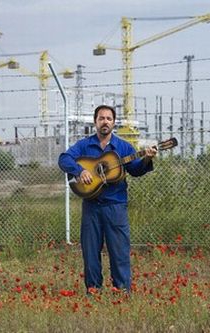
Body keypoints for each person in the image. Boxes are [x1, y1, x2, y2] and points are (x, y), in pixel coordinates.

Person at [58, 105, 157, 293]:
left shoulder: (123, 147)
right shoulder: (85, 145)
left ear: (114, 123)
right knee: (90, 252)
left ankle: (121, 291)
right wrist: (80, 171)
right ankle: (93, 291)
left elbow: (135, 169)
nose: (105, 122)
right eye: (101, 118)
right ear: (95, 122)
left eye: (109, 119)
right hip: (91, 206)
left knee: (119, 252)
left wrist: (146, 159)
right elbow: (64, 159)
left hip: (116, 206)